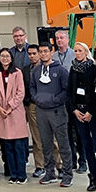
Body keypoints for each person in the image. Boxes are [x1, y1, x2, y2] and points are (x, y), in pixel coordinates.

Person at [29, 42, 73, 187]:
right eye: (40, 52)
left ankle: (67, 174)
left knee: (63, 144)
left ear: (51, 52)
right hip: (41, 111)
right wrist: (36, 99)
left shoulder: (60, 70)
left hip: (57, 111)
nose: (43, 54)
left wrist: (55, 100)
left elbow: (66, 90)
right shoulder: (36, 71)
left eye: (45, 51)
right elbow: (32, 87)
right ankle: (49, 173)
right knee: (45, 143)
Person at [69, 41, 96, 192]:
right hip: (78, 114)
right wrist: (74, 110)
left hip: (92, 114)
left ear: (86, 52)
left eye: (80, 51)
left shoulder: (94, 69)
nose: (77, 53)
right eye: (75, 51)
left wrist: (90, 112)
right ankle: (93, 178)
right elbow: (70, 92)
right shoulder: (73, 69)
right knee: (86, 147)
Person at [23, 44, 61, 179]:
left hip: (51, 105)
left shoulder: (52, 68)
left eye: (35, 53)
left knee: (53, 137)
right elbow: (28, 88)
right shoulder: (26, 70)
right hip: (33, 105)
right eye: (30, 54)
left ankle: (59, 165)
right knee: (37, 137)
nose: (32, 56)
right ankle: (40, 166)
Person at [0, 48, 29, 184]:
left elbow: (21, 93)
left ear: (11, 58)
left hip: (15, 112)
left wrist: (10, 106)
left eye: (7, 56)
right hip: (1, 113)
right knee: (7, 147)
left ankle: (22, 175)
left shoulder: (17, 72)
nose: (5, 58)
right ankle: (13, 174)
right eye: (2, 56)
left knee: (19, 147)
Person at [53, 28, 85, 173]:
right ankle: (71, 161)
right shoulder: (52, 56)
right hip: (61, 100)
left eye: (62, 38)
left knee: (79, 132)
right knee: (65, 133)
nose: (59, 40)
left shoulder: (75, 54)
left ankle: (82, 161)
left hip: (76, 100)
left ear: (67, 39)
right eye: (57, 38)